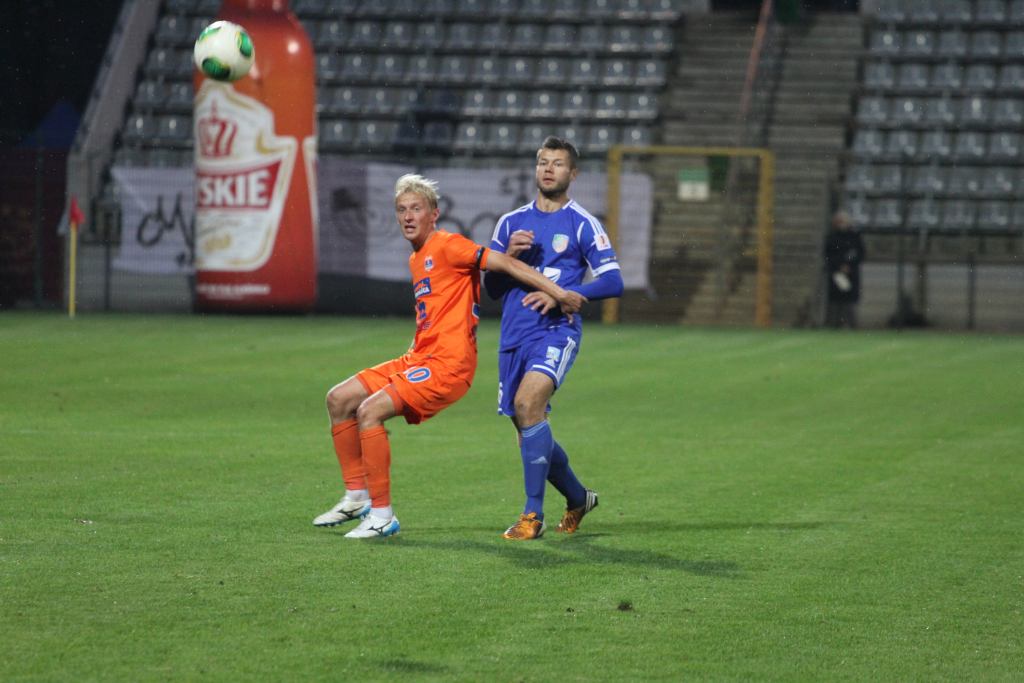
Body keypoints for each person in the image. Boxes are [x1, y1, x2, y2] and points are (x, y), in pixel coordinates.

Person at [313, 174, 586, 538]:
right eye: (401, 210)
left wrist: (558, 291)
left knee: (370, 411)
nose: (408, 216)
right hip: (418, 358)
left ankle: (382, 517)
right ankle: (357, 496)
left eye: (416, 209)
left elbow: (505, 265)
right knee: (339, 399)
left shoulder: (447, 244)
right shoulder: (418, 258)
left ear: (434, 214)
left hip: (448, 366)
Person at [485, 136, 624, 540]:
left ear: (572, 174)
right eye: (543, 162)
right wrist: (506, 256)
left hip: (555, 332)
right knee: (528, 425)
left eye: (558, 163)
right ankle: (579, 497)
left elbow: (613, 280)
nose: (548, 169)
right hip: (513, 335)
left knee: (529, 405)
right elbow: (491, 290)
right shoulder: (510, 224)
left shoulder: (582, 222)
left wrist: (560, 294)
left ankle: (532, 516)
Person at [824, 209, 865, 329]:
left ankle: (851, 324)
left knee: (850, 300)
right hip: (836, 273)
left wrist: (849, 265)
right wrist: (839, 265)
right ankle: (835, 324)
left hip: (851, 273)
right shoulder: (832, 237)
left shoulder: (854, 236)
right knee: (836, 300)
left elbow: (860, 253)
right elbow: (828, 255)